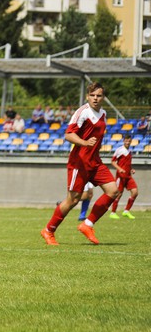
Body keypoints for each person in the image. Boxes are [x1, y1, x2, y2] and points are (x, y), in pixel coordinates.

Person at [41, 82, 119, 246]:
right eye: (92, 95)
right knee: (73, 200)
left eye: (99, 95)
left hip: (95, 162)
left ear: (103, 97)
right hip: (79, 163)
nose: (95, 99)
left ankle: (87, 224)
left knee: (113, 191)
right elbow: (68, 135)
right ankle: (49, 230)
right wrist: (84, 143)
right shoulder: (82, 112)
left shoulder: (103, 114)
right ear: (87, 96)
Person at [109, 133, 139, 220]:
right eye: (126, 141)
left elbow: (128, 164)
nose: (128, 143)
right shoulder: (119, 150)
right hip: (120, 176)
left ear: (131, 142)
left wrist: (131, 169)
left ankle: (126, 211)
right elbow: (113, 162)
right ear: (123, 141)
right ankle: (113, 212)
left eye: (129, 141)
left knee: (135, 192)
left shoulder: (130, 151)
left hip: (128, 176)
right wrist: (120, 169)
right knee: (118, 194)